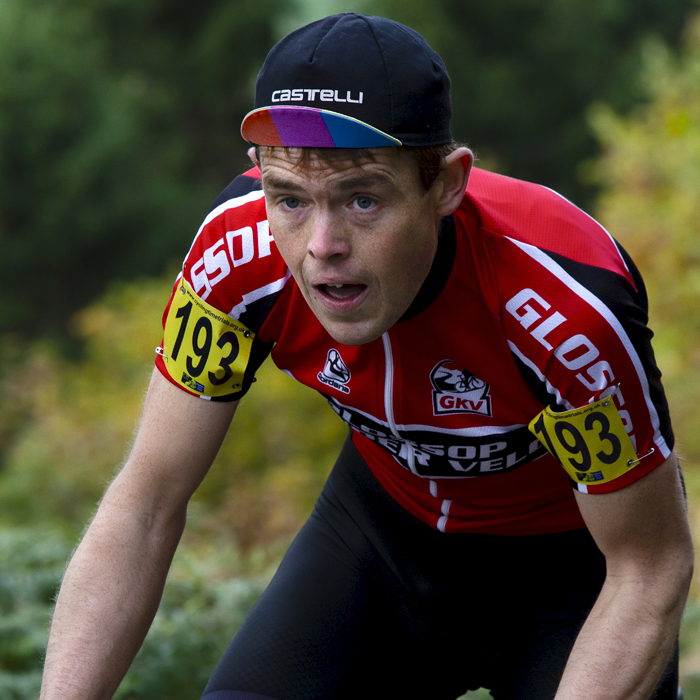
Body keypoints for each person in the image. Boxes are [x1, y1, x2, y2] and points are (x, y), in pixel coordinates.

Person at [40, 13, 693, 700]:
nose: (322, 245)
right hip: (378, 541)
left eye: (362, 198)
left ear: (445, 185)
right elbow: (146, 502)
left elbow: (650, 566)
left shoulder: (563, 311)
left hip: (570, 578)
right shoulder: (236, 256)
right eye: (289, 198)